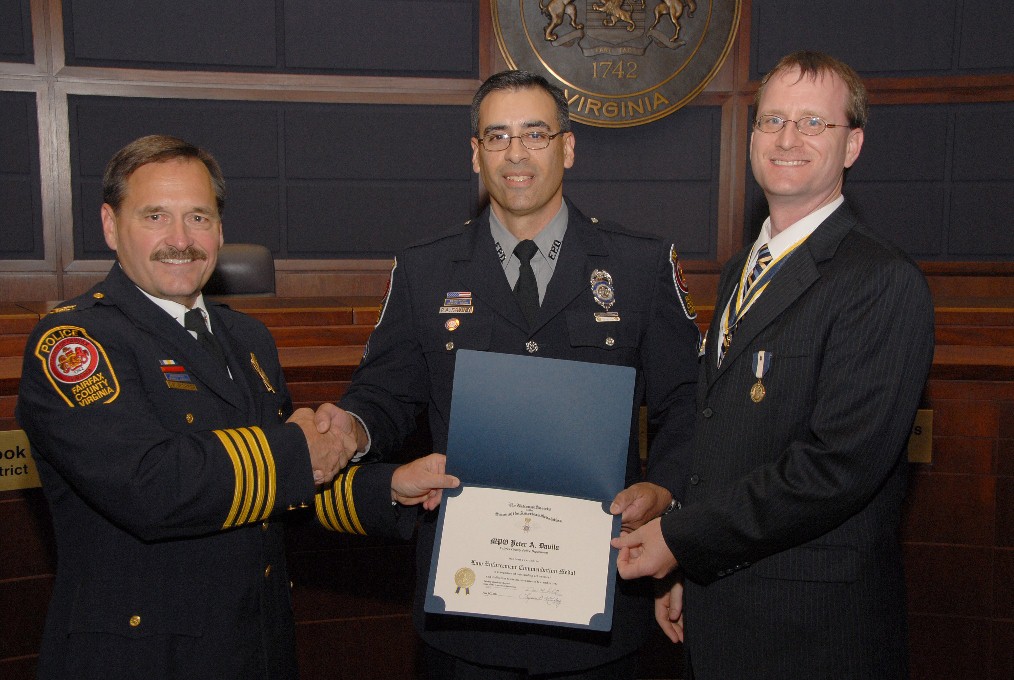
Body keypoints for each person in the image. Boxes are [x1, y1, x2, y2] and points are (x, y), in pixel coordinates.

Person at [15, 134, 458, 680]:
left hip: (254, 646)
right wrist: (301, 447)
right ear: (110, 226)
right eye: (156, 216)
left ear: (220, 230)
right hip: (143, 657)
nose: (180, 240)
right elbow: (151, 486)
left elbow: (281, 489)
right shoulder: (75, 343)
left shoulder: (247, 339)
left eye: (198, 218)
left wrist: (387, 486)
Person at [312, 70, 700, 679]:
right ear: (476, 154)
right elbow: (384, 395)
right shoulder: (423, 269)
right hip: (468, 617)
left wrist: (667, 491)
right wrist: (351, 430)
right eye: (497, 136)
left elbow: (688, 404)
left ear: (568, 147)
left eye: (535, 134)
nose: (516, 154)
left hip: (600, 608)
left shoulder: (640, 265)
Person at [611, 51, 935, 678]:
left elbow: (835, 468)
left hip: (810, 630)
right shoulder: (742, 268)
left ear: (854, 145)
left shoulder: (881, 281)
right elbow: (721, 434)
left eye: (814, 123)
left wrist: (682, 540)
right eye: (772, 121)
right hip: (723, 606)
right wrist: (691, 565)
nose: (788, 139)